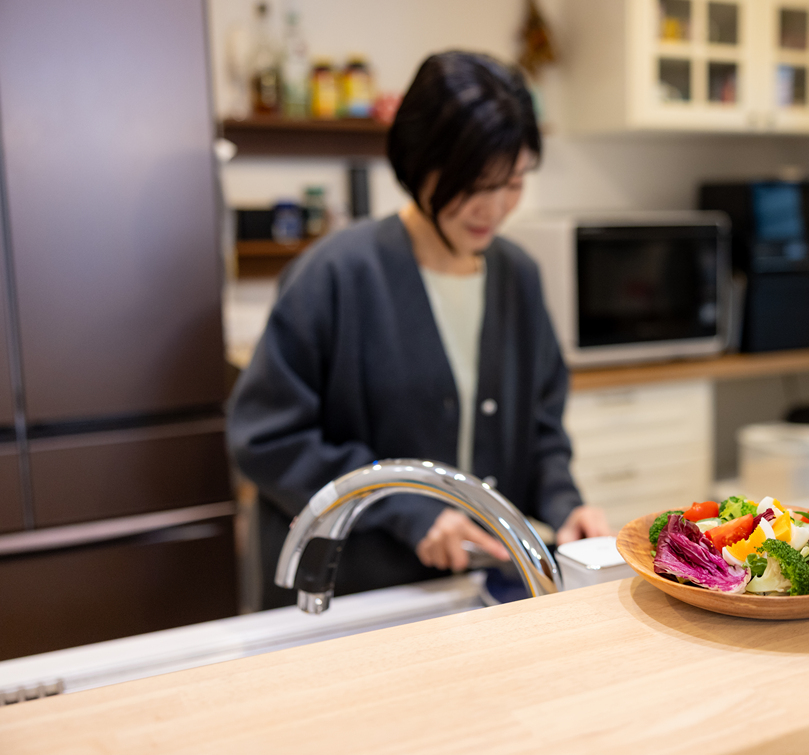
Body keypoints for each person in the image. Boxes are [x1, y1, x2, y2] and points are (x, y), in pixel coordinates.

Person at [228, 51, 610, 609]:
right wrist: (414, 513)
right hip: (359, 594)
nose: (494, 208)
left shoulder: (517, 277)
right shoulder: (335, 275)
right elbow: (267, 439)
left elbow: (541, 430)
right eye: (474, 184)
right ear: (418, 163)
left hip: (474, 589)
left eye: (514, 182)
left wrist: (564, 505)